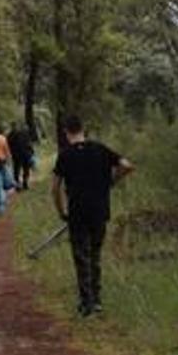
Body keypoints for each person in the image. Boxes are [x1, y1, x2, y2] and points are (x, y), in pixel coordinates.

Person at [51, 115, 134, 317]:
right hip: (99, 211)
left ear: (66, 131)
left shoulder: (65, 155)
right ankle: (96, 301)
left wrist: (62, 211)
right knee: (95, 256)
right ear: (83, 128)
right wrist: (111, 182)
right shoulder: (100, 149)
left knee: (81, 257)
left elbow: (55, 188)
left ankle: (86, 303)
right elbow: (127, 165)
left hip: (77, 212)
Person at [7, 122, 35, 190]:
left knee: (17, 170)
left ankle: (19, 185)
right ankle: (24, 183)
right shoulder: (25, 134)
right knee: (25, 169)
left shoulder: (10, 135)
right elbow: (29, 144)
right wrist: (31, 151)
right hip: (24, 154)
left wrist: (11, 152)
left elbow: (8, 145)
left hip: (17, 155)